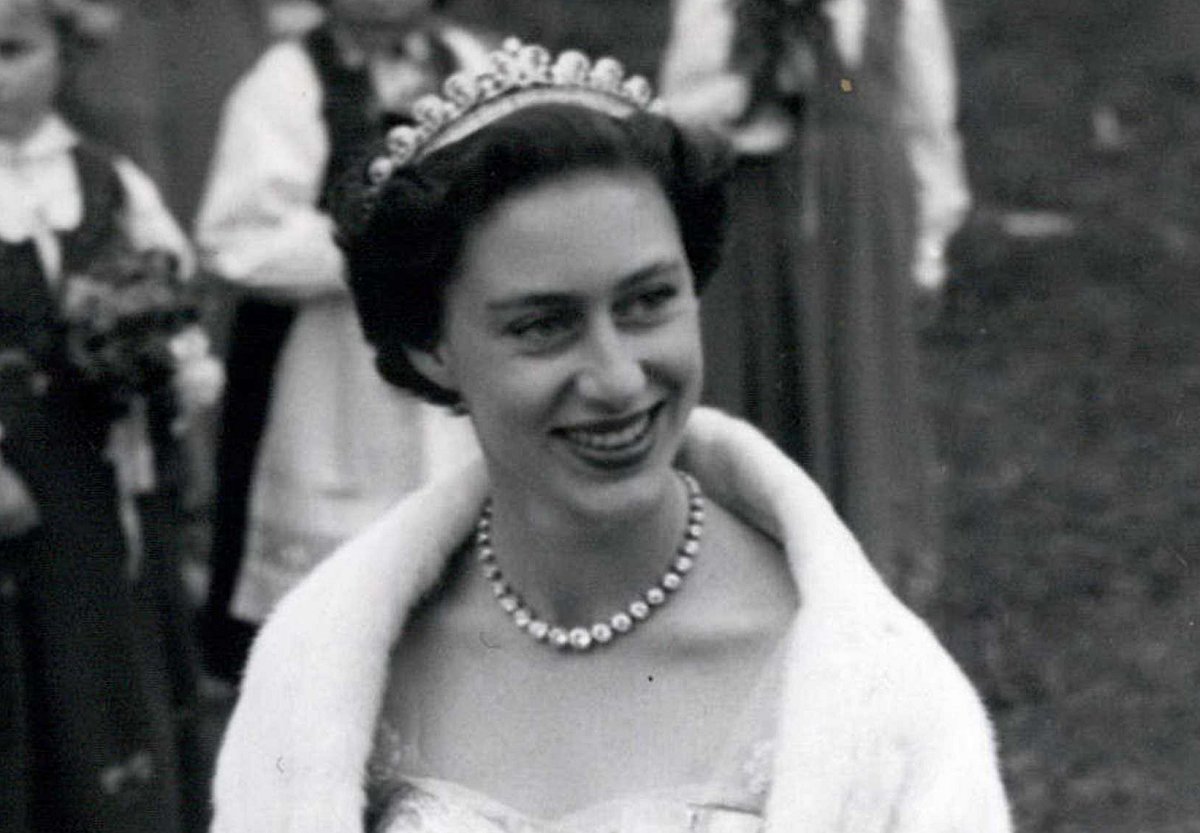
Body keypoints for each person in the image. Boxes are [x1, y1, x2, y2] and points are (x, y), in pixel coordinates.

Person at [209, 41, 1009, 832]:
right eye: (544, 324)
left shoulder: (875, 687)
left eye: (647, 301)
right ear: (433, 347)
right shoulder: (322, 669)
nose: (619, 377)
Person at [194, 0, 486, 681]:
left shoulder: (466, 63)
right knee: (338, 594)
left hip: (451, 350)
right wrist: (377, 240)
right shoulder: (288, 78)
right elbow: (236, 240)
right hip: (328, 369)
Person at [658, 0, 971, 608]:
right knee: (755, 379)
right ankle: (742, 580)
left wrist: (929, 243)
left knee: (860, 385)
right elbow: (681, 113)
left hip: (862, 225)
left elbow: (927, 122)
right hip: (755, 214)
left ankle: (867, 584)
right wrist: (749, 90)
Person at [0, 0, 205, 830]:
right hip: (15, 475)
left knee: (107, 647)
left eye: (11, 50)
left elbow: (168, 296)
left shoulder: (102, 177)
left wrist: (166, 359)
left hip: (97, 460)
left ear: (68, 57)